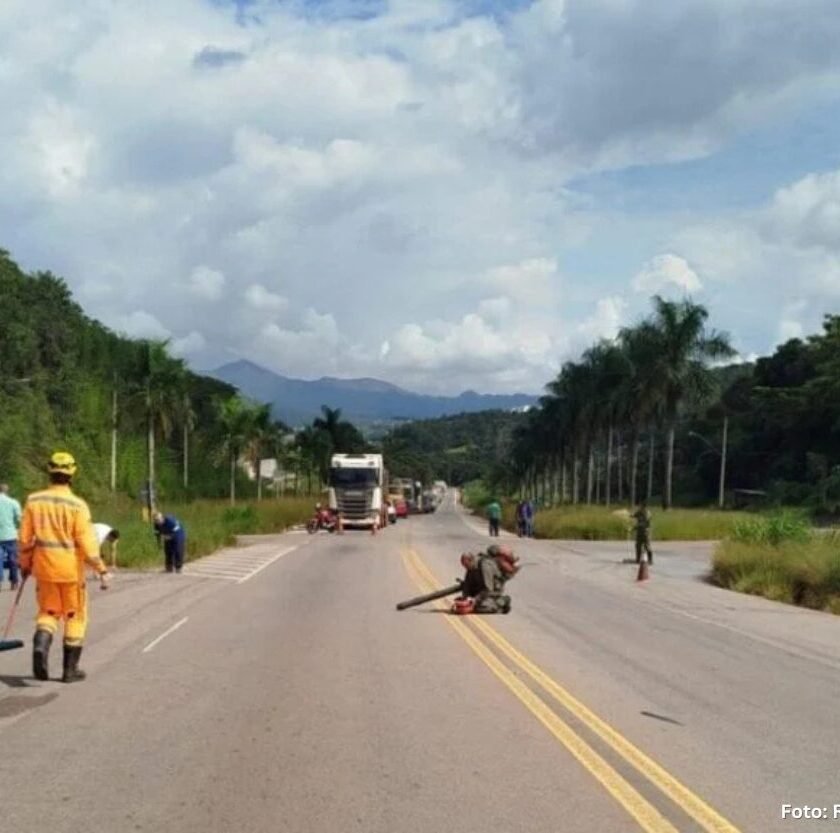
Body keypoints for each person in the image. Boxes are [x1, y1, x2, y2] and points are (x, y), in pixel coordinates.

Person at [18, 451, 111, 683]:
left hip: (45, 570)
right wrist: (101, 569)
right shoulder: (78, 505)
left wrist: (25, 565)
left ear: (50, 471)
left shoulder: (34, 501)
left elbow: (24, 540)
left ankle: (40, 645)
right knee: (74, 616)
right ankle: (70, 671)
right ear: (72, 474)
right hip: (70, 572)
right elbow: (88, 545)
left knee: (48, 612)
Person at [469, 544, 520, 613]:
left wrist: (475, 599)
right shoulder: (482, 561)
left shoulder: (487, 564)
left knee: (482, 608)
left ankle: (504, 601)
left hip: (493, 592)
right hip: (486, 592)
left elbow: (488, 589)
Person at [0, 483, 22, 590]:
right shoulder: (13, 502)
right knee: (13, 559)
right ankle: (14, 581)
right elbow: (19, 518)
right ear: (6, 491)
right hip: (10, 535)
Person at [633, 500, 653, 565]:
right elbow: (634, 515)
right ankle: (638, 559)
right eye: (639, 506)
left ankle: (650, 560)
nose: (639, 507)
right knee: (638, 545)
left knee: (647, 546)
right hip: (639, 532)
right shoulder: (639, 512)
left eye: (641, 506)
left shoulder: (647, 513)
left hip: (645, 532)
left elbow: (644, 523)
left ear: (644, 507)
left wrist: (635, 527)